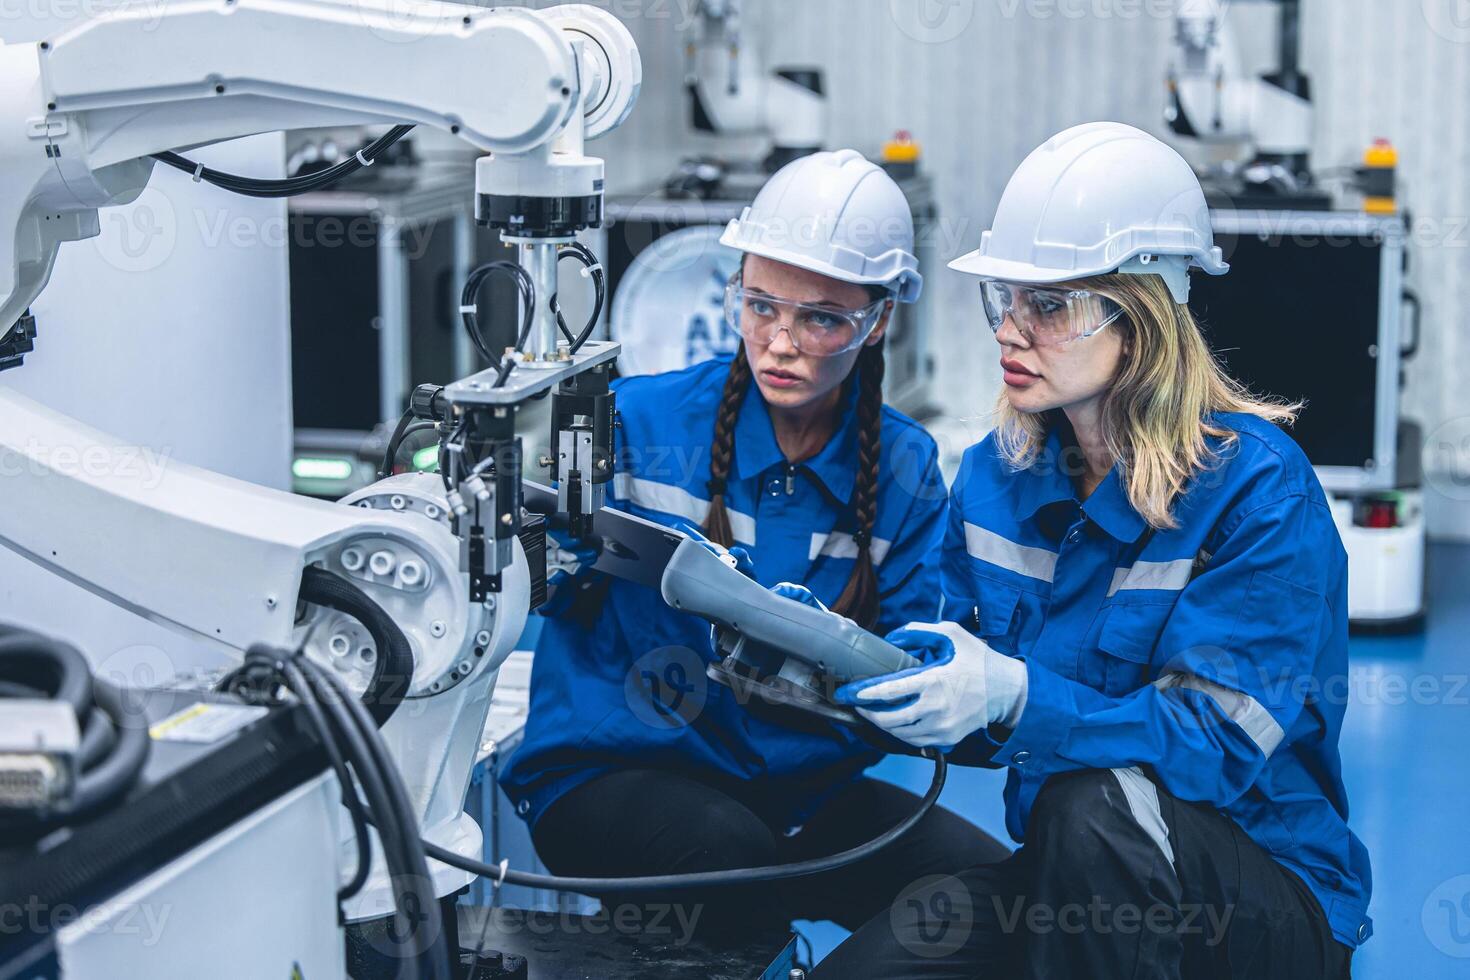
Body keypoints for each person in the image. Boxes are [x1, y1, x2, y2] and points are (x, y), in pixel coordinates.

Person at [816, 123, 1371, 978]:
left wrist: (1016, 692)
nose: (1010, 330)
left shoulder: (1261, 492)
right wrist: (861, 679)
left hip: (1258, 897)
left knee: (1092, 800)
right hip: (1069, 871)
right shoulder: (998, 478)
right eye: (1003, 298)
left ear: (1142, 318)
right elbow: (981, 717)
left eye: (1050, 305)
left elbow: (1211, 749)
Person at [500, 150, 1009, 940]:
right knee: (732, 866)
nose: (779, 342)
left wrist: (853, 672)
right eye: (760, 305)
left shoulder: (906, 470)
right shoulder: (638, 424)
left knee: (990, 903)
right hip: (611, 775)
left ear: (878, 321)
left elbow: (908, 675)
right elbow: (545, 583)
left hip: (796, 797)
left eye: (821, 318)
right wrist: (535, 540)